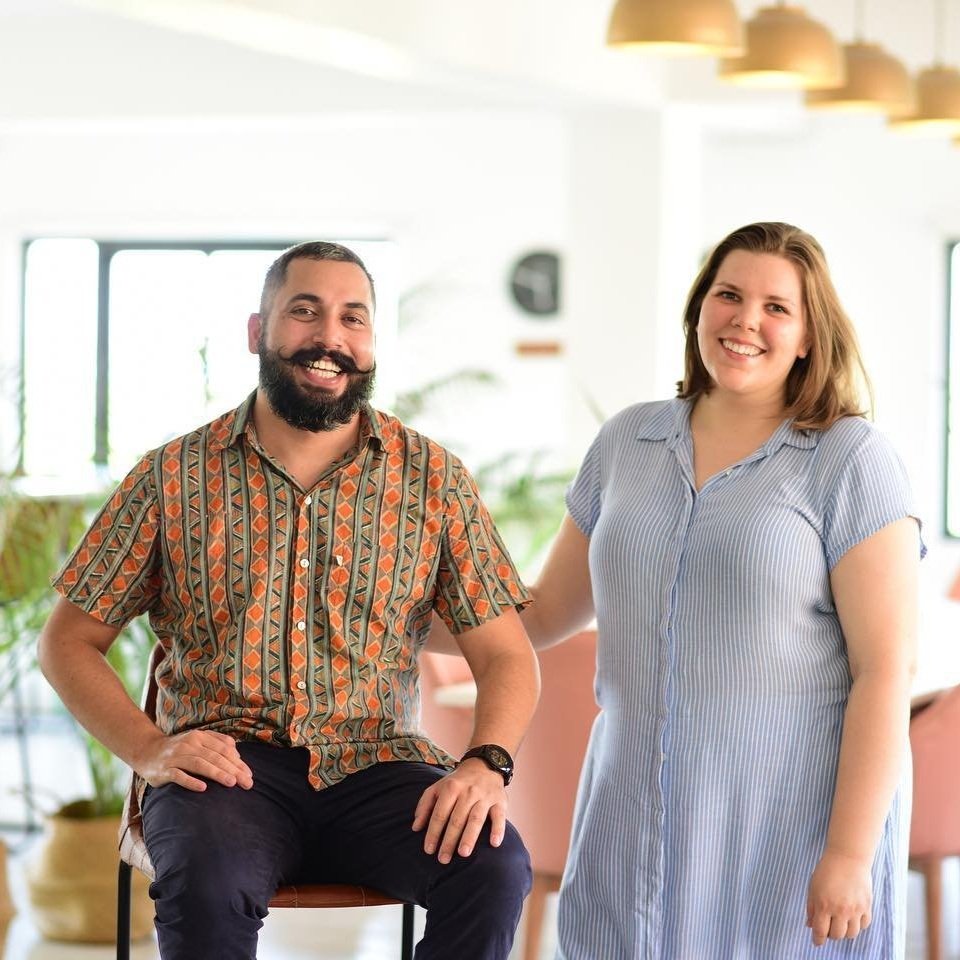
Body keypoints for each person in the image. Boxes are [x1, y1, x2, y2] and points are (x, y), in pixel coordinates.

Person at [38, 241, 540, 960]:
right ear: (258, 331)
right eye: (304, 312)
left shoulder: (434, 479)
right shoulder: (172, 476)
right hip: (225, 771)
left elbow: (504, 655)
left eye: (352, 319)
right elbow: (66, 640)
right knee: (206, 886)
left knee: (494, 868)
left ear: (370, 341)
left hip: (380, 768)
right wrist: (149, 749)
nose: (329, 337)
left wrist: (483, 764)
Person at [478, 222, 920, 958]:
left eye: (777, 307)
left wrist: (847, 855)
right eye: (729, 295)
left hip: (785, 829)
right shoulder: (626, 442)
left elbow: (884, 671)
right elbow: (547, 611)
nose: (747, 320)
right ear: (699, 310)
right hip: (631, 820)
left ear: (810, 335)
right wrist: (395, 602)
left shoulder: (851, 460)